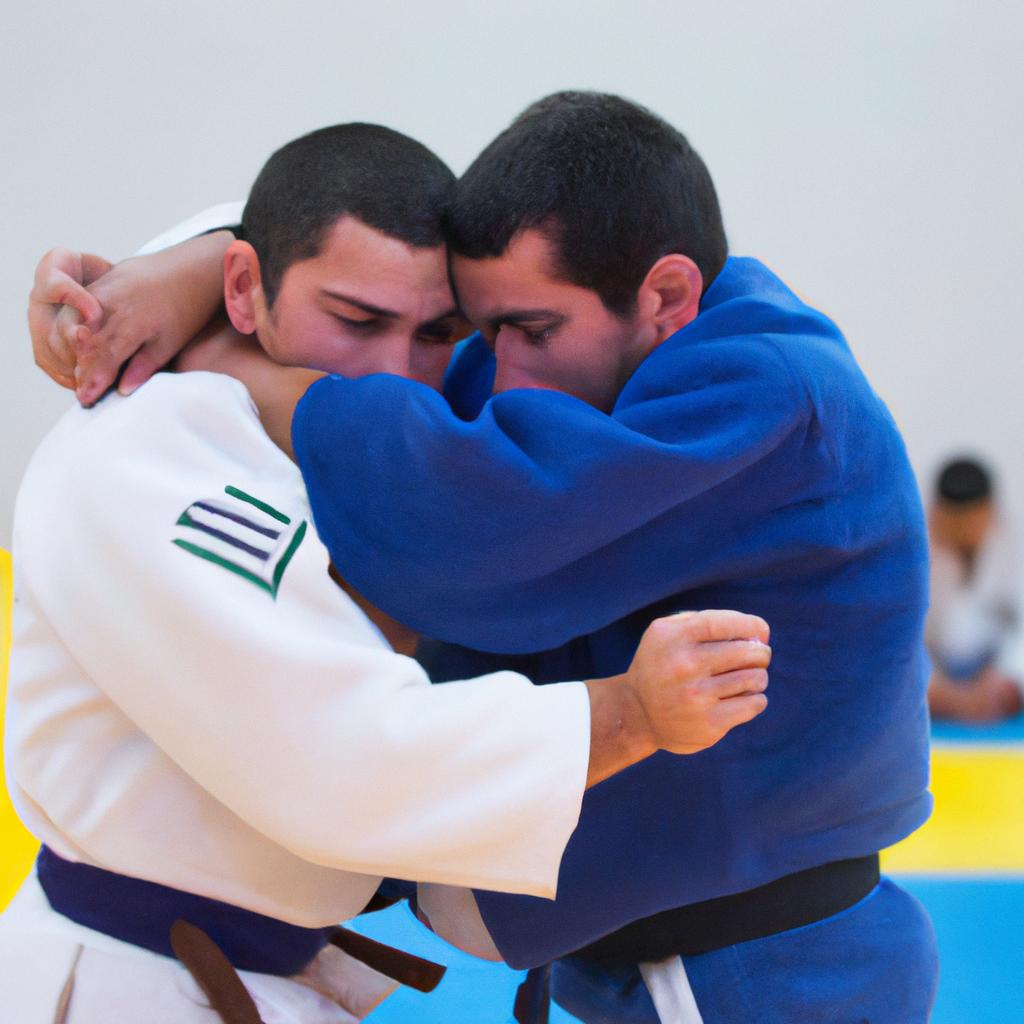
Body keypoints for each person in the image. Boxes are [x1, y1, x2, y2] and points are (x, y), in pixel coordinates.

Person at [29, 91, 935, 1023]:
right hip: (142, 971)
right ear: (245, 284)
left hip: (761, 974)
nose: (490, 373)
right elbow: (334, 227)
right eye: (480, 329)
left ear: (665, 297)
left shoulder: (767, 393)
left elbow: (478, 524)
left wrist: (256, 370)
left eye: (523, 331)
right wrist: (179, 275)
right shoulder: (138, 451)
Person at [926, 456, 1022, 722]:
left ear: (990, 513)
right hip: (935, 679)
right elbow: (905, 639)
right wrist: (950, 696)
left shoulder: (1011, 542)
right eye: (954, 523)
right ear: (936, 515)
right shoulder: (913, 551)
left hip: (995, 676)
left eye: (972, 522)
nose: (964, 532)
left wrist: (1002, 679)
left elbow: (1018, 631)